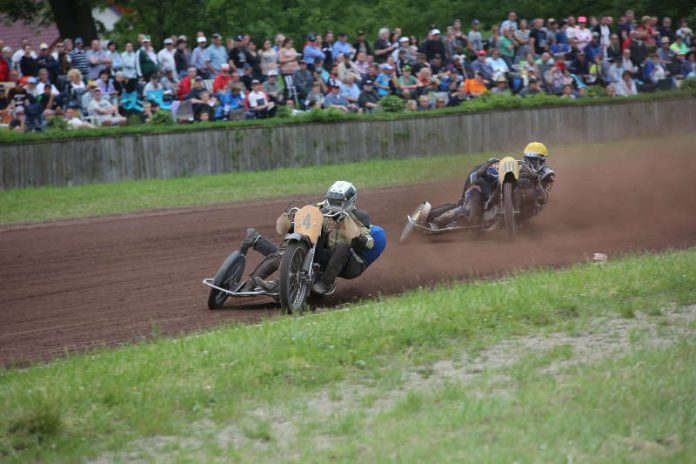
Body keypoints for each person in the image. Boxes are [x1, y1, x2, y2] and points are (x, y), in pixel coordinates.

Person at [241, 181, 384, 296]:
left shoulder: (360, 216)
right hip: (323, 256)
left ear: (350, 201)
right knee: (300, 240)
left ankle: (325, 283)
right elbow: (301, 227)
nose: (333, 205)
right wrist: (290, 225)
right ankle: (252, 280)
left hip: (349, 262)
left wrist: (351, 227)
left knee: (341, 243)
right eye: (332, 201)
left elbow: (368, 244)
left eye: (338, 202)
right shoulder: (321, 209)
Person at [429, 142, 555, 229]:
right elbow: (479, 175)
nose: (531, 162)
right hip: (488, 195)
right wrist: (486, 167)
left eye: (535, 159)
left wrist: (536, 182)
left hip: (524, 211)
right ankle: (435, 222)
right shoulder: (518, 166)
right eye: (529, 158)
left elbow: (543, 199)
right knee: (468, 206)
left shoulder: (547, 174)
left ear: (543, 160)